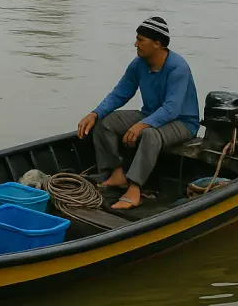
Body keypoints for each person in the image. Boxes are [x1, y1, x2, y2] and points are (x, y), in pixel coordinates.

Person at [76, 17, 199, 210]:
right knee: (106, 122)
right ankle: (117, 174)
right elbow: (120, 93)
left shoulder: (178, 68)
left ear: (157, 43)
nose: (135, 43)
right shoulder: (138, 64)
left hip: (182, 122)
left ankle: (134, 189)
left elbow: (172, 108)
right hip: (151, 114)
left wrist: (143, 124)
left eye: (140, 39)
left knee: (150, 134)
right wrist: (95, 113)